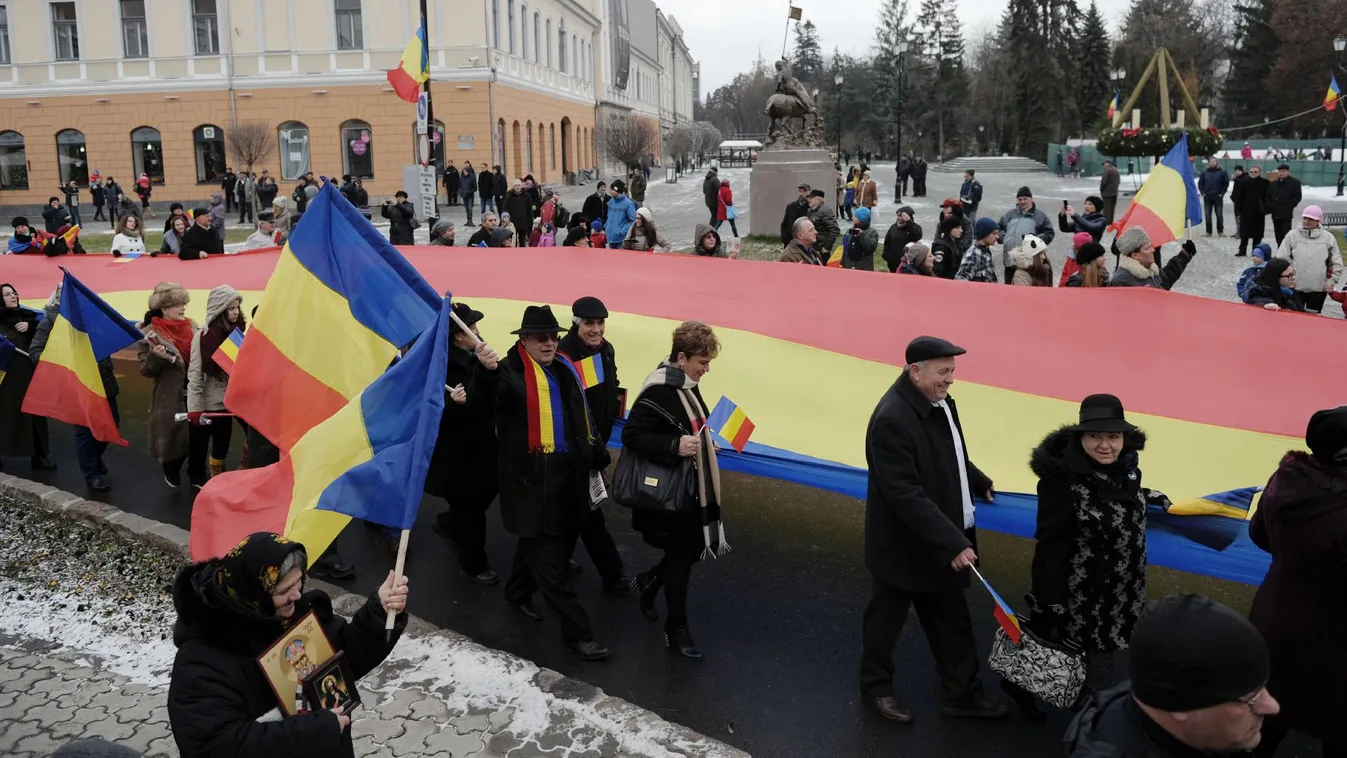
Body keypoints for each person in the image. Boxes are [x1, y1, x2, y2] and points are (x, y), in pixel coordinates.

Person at [860, 336, 1006, 724]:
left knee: (952, 621)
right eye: (944, 372)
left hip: (937, 541)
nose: (950, 380)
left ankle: (961, 695)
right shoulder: (892, 418)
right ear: (915, 371)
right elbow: (903, 492)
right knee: (885, 623)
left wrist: (973, 478)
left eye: (952, 372)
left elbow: (948, 449)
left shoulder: (935, 402)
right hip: (904, 546)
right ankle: (875, 689)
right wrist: (953, 542)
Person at [167, 532, 408, 758]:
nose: (297, 596)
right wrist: (318, 730)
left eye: (299, 583)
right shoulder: (201, 663)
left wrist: (379, 612)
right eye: (285, 590)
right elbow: (217, 746)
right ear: (255, 592)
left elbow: (344, 657)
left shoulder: (288, 615)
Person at [1001, 395, 1151, 719]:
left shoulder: (1128, 469)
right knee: (1097, 679)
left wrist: (1153, 499)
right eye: (1095, 436)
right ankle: (1095, 735)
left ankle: (1020, 684)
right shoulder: (1061, 482)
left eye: (1113, 436)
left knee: (1052, 653)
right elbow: (1050, 546)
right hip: (1084, 597)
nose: (1105, 445)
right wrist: (1048, 603)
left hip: (1122, 591)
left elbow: (1124, 500)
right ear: (1081, 437)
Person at [476, 305, 612, 660]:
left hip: (569, 480)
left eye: (553, 336)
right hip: (531, 487)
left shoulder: (566, 367)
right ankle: (577, 635)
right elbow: (480, 405)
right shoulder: (507, 373)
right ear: (524, 340)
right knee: (552, 567)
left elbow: (584, 416)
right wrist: (486, 372)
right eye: (541, 338)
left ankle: (517, 592)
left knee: (548, 547)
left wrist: (596, 452)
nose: (549, 343)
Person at [623, 321, 727, 660]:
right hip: (666, 496)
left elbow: (695, 425)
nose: (706, 370)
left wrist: (708, 443)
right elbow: (632, 436)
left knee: (693, 550)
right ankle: (676, 627)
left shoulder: (685, 382)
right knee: (683, 558)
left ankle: (652, 581)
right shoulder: (660, 389)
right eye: (702, 362)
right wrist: (674, 446)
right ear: (681, 358)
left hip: (690, 490)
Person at [1248, 406, 1347, 757]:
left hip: (1274, 623)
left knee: (1259, 727)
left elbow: (1258, 534)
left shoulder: (1283, 480)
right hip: (1334, 647)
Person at [1064, 594, 1278, 757]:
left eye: (1264, 688)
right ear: (1181, 706)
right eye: (1252, 699)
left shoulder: (1155, 691)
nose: (1272, 707)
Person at [558, 297, 638, 594]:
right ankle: (613, 576)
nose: (596, 329)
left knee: (575, 514)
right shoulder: (564, 354)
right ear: (576, 323)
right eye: (589, 323)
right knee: (588, 514)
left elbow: (608, 387)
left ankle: (552, 565)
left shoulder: (606, 349)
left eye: (600, 323)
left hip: (595, 445)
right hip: (575, 451)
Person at [425, 302, 502, 584]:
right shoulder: (442, 368)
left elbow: (486, 401)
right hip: (457, 456)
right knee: (471, 512)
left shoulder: (472, 360)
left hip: (482, 448)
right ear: (458, 336)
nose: (478, 332)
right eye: (472, 328)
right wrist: (453, 405)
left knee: (475, 504)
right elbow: (436, 414)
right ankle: (474, 564)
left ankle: (448, 523)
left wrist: (490, 369)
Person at [27, 285, 115, 490]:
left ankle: (95, 457)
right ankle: (91, 475)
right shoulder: (49, 322)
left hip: (103, 382)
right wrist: (65, 356)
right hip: (76, 386)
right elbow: (35, 353)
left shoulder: (92, 317)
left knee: (111, 426)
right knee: (85, 433)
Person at [139, 283, 205, 488]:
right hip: (169, 396)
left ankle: (196, 473)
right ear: (164, 308)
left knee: (198, 437)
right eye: (177, 304)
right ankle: (171, 468)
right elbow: (145, 370)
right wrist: (155, 357)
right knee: (172, 439)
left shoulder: (194, 329)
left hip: (195, 392)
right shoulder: (150, 334)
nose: (183, 307)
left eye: (184, 303)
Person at [187, 286, 245, 479]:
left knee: (256, 435)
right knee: (221, 444)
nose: (236, 311)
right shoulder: (203, 337)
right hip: (215, 402)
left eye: (237, 306)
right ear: (220, 309)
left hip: (239, 396)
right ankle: (217, 478)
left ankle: (246, 467)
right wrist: (194, 408)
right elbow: (194, 374)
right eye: (230, 308)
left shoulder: (239, 332)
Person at [0, 284, 55, 473]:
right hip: (8, 381)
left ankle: (39, 456)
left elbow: (42, 340)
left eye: (14, 292)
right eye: (7, 294)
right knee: (6, 416)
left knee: (36, 416)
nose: (12, 296)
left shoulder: (29, 318)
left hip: (32, 375)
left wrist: (30, 327)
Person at [1273, 204, 1341, 313]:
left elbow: (1336, 263)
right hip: (1295, 287)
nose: (1307, 221)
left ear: (1318, 220)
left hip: (1318, 289)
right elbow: (1282, 258)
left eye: (1311, 219)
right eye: (1305, 218)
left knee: (1313, 321)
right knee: (1293, 318)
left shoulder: (1328, 238)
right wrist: (1288, 278)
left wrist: (1331, 282)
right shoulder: (1292, 235)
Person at [998, 187, 1055, 283]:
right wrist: (1004, 238)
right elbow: (998, 228)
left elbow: (1049, 233)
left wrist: (1037, 241)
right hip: (1010, 262)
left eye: (1025, 199)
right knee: (1008, 289)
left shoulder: (1040, 216)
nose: (1022, 202)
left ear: (1031, 199)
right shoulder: (1009, 214)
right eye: (1020, 199)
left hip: (1030, 264)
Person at [1109, 228, 1196, 289]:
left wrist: (1184, 254)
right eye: (1147, 248)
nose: (1153, 250)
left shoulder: (1151, 271)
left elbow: (1168, 277)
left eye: (1151, 246)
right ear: (1135, 255)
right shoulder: (1121, 280)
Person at [1233, 165, 1271, 257]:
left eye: (1255, 172)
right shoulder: (1244, 182)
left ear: (1259, 173)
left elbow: (1269, 197)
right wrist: (1238, 210)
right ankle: (1242, 251)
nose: (1253, 173)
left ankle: (1256, 252)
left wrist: (1266, 208)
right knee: (1244, 233)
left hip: (1258, 212)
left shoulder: (1265, 183)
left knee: (1257, 234)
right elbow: (1238, 197)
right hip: (1246, 211)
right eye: (1251, 172)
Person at [1264, 164, 1302, 247]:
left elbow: (1297, 196)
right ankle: (1280, 252)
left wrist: (1290, 205)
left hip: (1286, 213)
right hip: (1275, 213)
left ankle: (1286, 253)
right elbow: (1268, 196)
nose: (1281, 173)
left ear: (1288, 171)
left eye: (1283, 171)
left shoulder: (1295, 183)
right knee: (1278, 235)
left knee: (1286, 234)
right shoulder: (1273, 183)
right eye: (1280, 171)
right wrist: (1271, 206)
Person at [955, 218, 1002, 283]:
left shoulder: (986, 252)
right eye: (994, 233)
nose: (997, 237)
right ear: (984, 234)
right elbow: (960, 280)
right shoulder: (973, 254)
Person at [881, 206, 923, 274]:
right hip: (893, 263)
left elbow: (917, 236)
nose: (899, 218)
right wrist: (886, 255)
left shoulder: (913, 227)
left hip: (907, 263)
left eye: (901, 216)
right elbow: (887, 241)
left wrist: (908, 221)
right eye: (898, 216)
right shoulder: (893, 227)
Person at [1197, 157, 1230, 237]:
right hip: (1207, 197)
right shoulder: (1204, 173)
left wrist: (1222, 194)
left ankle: (1220, 232)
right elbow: (1200, 183)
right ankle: (1208, 232)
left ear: (1217, 162)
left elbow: (1226, 183)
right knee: (1208, 215)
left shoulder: (1222, 172)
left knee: (1219, 215)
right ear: (1209, 163)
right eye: (1211, 161)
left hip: (1218, 197)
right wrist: (1202, 193)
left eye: (1214, 161)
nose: (1212, 163)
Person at [804, 188, 838, 259]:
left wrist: (826, 248)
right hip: (813, 247)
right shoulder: (811, 210)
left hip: (821, 249)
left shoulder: (825, 211)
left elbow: (834, 229)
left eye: (811, 198)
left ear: (817, 199)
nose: (808, 200)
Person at [605, 181, 637, 248]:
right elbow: (609, 217)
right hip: (610, 238)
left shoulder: (628, 204)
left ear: (617, 190)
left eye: (612, 189)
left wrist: (622, 231)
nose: (610, 191)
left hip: (621, 240)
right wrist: (606, 227)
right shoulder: (611, 202)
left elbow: (633, 221)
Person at [504, 181, 536, 247]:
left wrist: (530, 222)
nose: (517, 187)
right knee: (513, 242)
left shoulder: (527, 196)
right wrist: (506, 217)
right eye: (515, 185)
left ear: (521, 186)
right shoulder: (509, 196)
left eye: (519, 185)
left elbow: (529, 210)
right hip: (512, 224)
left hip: (523, 223)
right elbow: (505, 208)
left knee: (522, 242)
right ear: (513, 187)